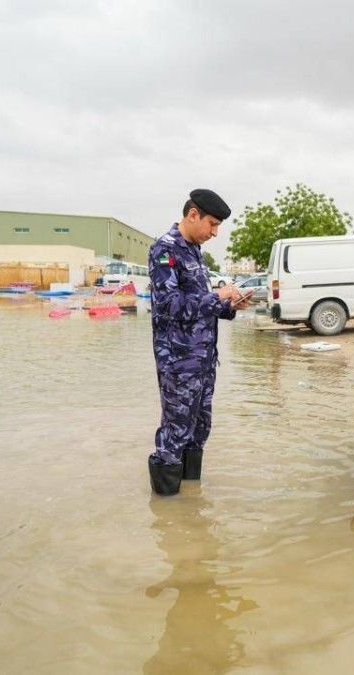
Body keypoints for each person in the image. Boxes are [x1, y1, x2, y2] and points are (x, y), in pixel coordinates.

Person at [147, 189, 249, 495]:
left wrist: (230, 306)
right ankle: (167, 507)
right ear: (193, 215)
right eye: (212, 224)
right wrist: (217, 296)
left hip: (203, 359)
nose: (215, 233)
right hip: (178, 361)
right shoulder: (164, 250)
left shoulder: (194, 252)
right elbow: (169, 305)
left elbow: (200, 306)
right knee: (175, 431)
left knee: (199, 428)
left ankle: (191, 503)